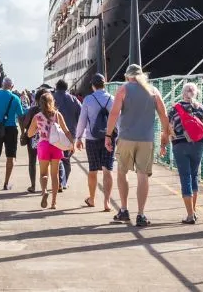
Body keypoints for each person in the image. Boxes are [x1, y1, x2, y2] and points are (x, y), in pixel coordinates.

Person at [105, 64, 170, 227]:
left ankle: (124, 210)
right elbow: (163, 114)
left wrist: (108, 135)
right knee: (143, 176)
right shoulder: (153, 91)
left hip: (126, 138)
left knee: (122, 172)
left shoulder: (123, 89)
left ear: (128, 76)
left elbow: (114, 113)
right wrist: (165, 135)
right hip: (146, 139)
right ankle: (141, 214)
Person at [170, 81, 203, 224]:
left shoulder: (175, 108)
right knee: (194, 175)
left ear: (182, 93)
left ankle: (190, 215)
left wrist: (168, 141)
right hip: (199, 144)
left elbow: (168, 129)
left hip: (180, 144)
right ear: (196, 93)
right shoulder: (201, 108)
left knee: (185, 177)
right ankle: (193, 211)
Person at [25, 92, 75, 209]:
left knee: (43, 173)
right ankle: (54, 203)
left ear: (40, 103)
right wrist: (71, 144)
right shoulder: (57, 115)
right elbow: (66, 131)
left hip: (43, 146)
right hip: (56, 145)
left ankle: (44, 191)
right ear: (52, 102)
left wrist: (37, 128)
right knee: (55, 174)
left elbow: (29, 134)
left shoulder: (37, 117)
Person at [75, 74, 115, 211]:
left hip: (92, 138)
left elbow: (82, 120)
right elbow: (118, 119)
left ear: (93, 85)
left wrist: (78, 137)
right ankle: (107, 202)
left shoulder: (88, 99)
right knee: (107, 169)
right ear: (105, 84)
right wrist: (118, 137)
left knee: (92, 170)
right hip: (109, 138)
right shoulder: (112, 99)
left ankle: (92, 199)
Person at [19, 85, 53, 193]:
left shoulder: (32, 110)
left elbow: (25, 123)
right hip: (47, 140)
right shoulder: (52, 111)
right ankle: (46, 187)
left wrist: (24, 131)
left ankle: (33, 186)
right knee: (47, 163)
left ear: (37, 99)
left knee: (32, 161)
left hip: (33, 139)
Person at [52, 80, 82, 191]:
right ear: (66, 87)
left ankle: (59, 182)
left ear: (56, 87)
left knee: (55, 159)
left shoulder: (51, 98)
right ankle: (63, 182)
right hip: (70, 134)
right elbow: (81, 115)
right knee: (66, 159)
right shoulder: (74, 99)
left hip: (54, 134)